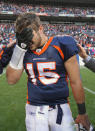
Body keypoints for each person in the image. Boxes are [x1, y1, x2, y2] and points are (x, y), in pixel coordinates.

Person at [6, 13, 91, 131]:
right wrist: (19, 49)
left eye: (29, 34)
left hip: (61, 107)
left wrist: (82, 112)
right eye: (23, 36)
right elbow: (11, 80)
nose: (27, 40)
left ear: (40, 29)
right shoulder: (22, 48)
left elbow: (76, 81)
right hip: (33, 108)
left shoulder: (62, 44)